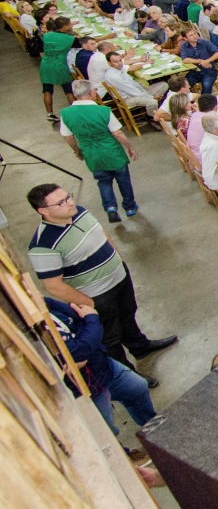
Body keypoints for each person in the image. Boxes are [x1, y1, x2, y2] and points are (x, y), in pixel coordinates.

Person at [27, 184, 177, 385]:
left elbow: (101, 234)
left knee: (127, 315)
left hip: (118, 277)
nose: (70, 202)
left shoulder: (79, 212)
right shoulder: (43, 245)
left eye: (68, 197)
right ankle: (129, 375)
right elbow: (52, 285)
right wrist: (87, 302)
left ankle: (140, 346)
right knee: (110, 338)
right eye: (61, 202)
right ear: (43, 211)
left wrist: (118, 259)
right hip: (97, 295)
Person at [47, 298, 157, 434]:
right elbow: (80, 349)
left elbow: (81, 313)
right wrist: (90, 324)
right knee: (106, 430)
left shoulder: (42, 302)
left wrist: (86, 333)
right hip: (85, 388)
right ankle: (125, 454)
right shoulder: (35, 329)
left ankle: (155, 431)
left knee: (137, 388)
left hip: (104, 366)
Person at [59, 81, 140, 222]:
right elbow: (118, 133)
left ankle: (110, 208)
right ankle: (130, 207)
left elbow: (69, 137)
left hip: (91, 153)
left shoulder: (65, 114)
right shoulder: (104, 111)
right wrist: (130, 147)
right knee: (123, 180)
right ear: (91, 93)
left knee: (103, 181)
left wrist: (77, 151)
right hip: (112, 152)